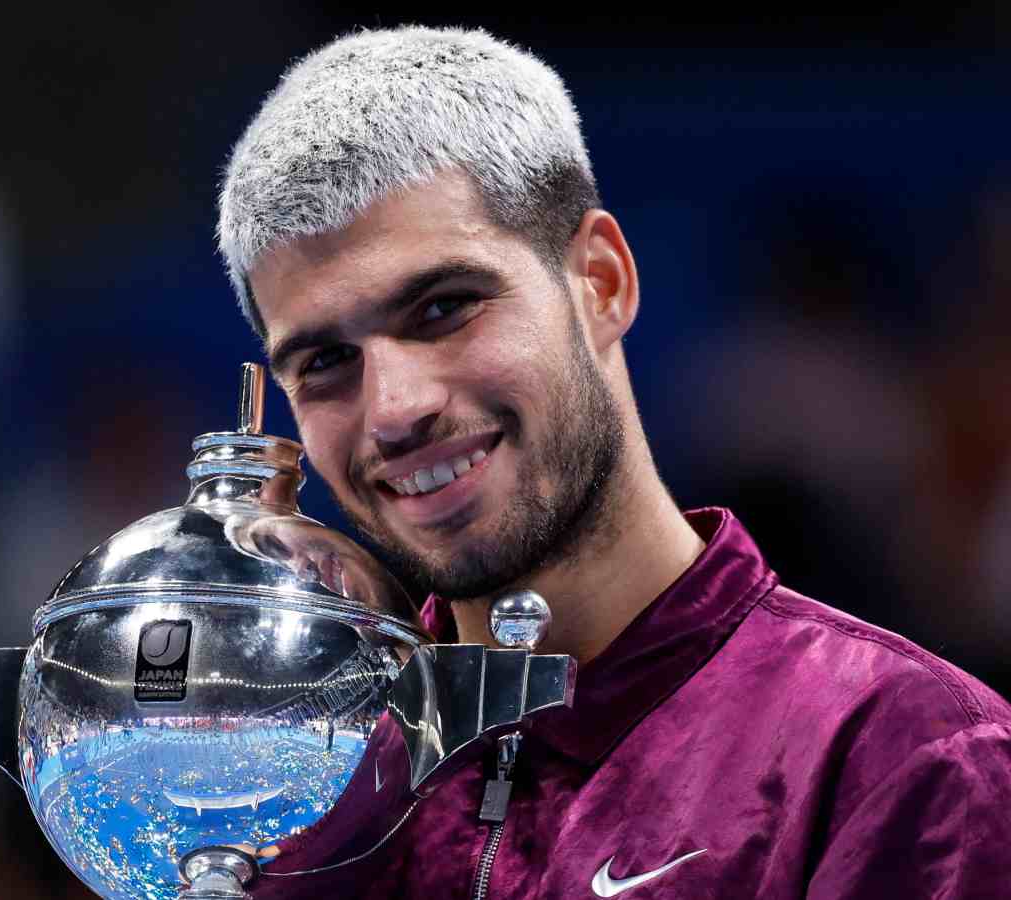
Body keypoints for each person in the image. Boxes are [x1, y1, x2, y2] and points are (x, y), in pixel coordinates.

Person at [215, 25, 1011, 899]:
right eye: (325, 362)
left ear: (600, 282)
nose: (396, 409)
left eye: (444, 307)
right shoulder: (293, 802)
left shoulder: (903, 761)